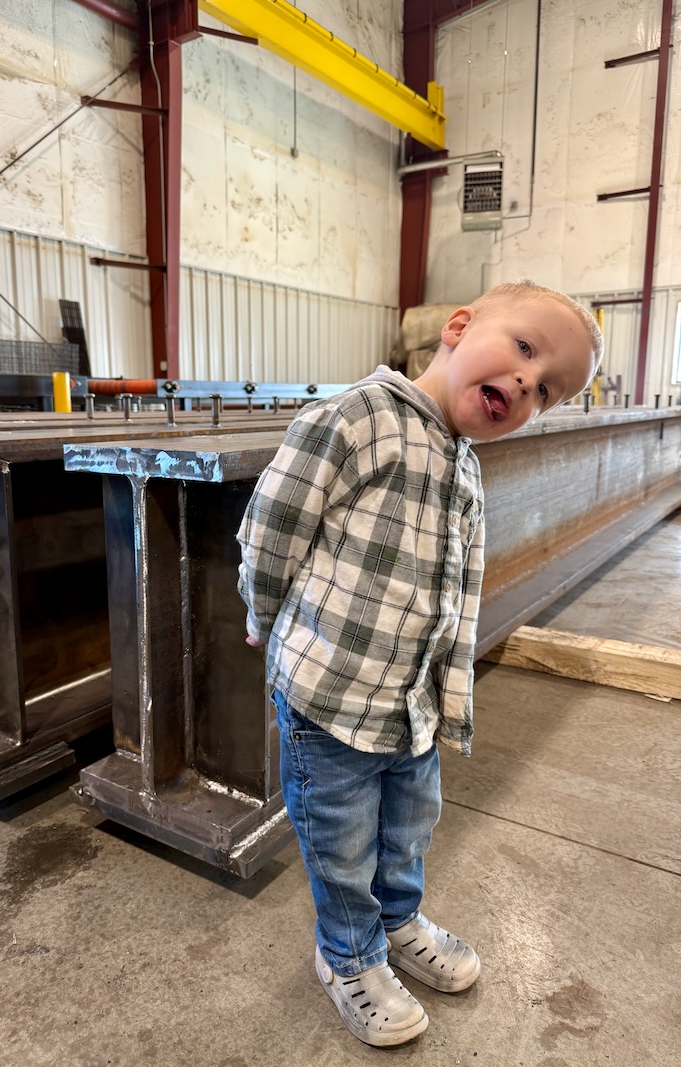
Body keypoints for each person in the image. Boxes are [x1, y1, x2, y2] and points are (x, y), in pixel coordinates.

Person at [236, 280, 603, 1048]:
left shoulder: (465, 465)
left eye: (546, 390)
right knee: (340, 840)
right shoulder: (359, 417)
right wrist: (264, 615)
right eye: (525, 350)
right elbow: (272, 526)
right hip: (330, 695)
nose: (528, 384)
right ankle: (347, 955)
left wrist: (444, 694)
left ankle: (397, 922)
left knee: (406, 828)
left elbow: (453, 589)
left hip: (409, 705)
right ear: (460, 328)